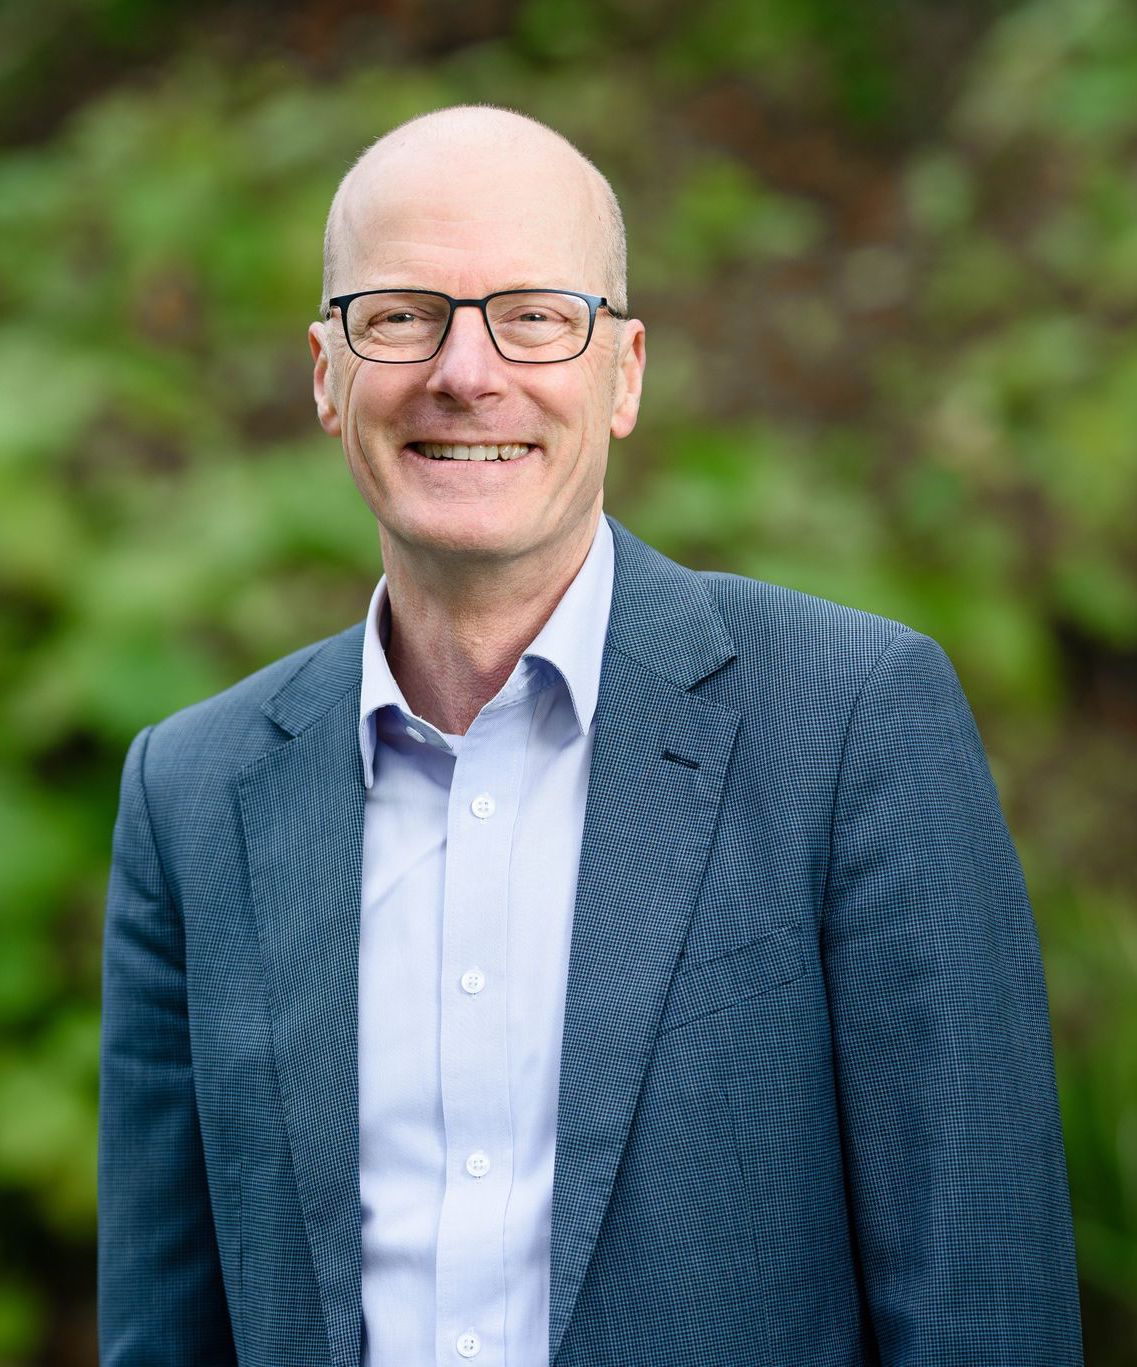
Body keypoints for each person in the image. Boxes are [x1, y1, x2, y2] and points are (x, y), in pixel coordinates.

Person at [98, 105, 1083, 1367]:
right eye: (401, 314)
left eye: (535, 314)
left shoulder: (852, 722)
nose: (466, 371)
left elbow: (982, 1305)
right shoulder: (194, 793)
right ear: (326, 371)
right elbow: (163, 1331)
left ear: (622, 374)